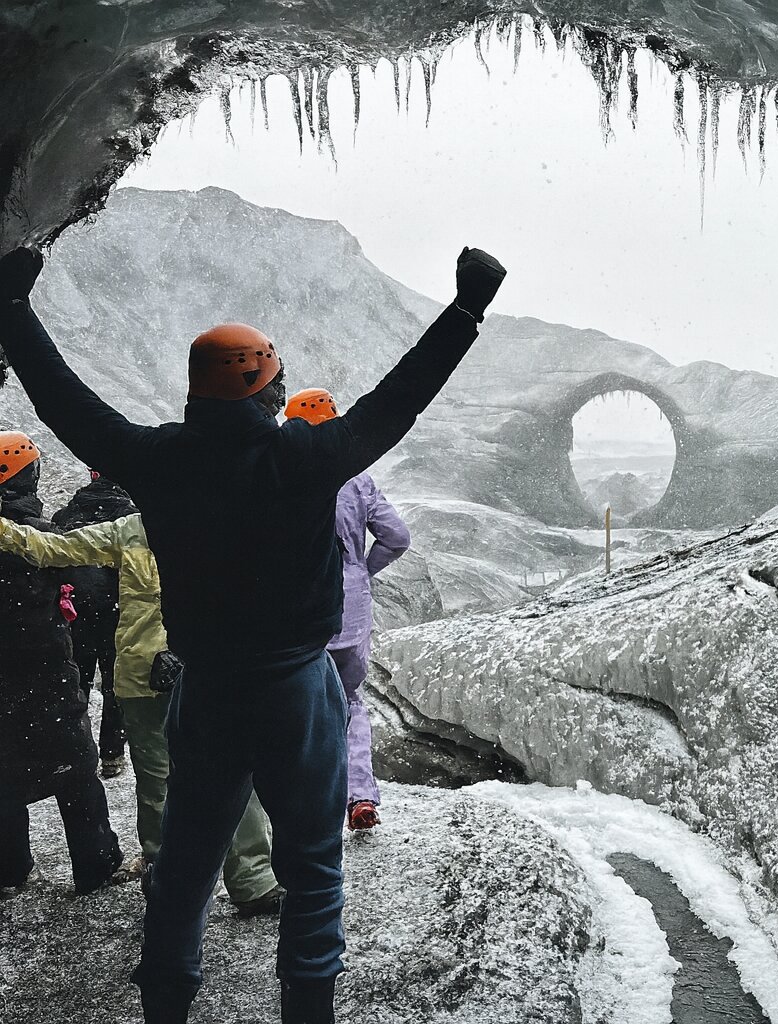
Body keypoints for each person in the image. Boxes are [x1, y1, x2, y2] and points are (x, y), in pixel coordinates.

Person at [0, 243, 506, 1024]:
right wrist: (467, 308)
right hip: (296, 688)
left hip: (203, 689)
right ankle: (308, 1011)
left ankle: (166, 1008)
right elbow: (399, 399)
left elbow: (65, 403)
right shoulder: (308, 455)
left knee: (184, 875)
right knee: (313, 869)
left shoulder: (156, 458)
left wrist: (11, 311)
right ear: (267, 387)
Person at [0, 507, 283, 915]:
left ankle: (170, 876)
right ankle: (246, 882)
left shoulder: (134, 529)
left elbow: (52, 549)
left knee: (165, 780)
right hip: (189, 673)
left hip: (164, 672)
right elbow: (52, 548)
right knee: (221, 774)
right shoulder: (220, 523)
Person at [0, 431, 123, 895]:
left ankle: (9, 867)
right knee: (76, 771)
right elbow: (83, 583)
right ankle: (95, 865)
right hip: (47, 670)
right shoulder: (44, 538)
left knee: (4, 768)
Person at [284, 388, 411, 831]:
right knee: (351, 701)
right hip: (351, 613)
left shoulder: (282, 471)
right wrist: (361, 570)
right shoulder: (357, 479)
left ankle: (306, 802)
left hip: (299, 612)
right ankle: (359, 794)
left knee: (299, 706)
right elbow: (397, 536)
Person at [53, 469, 134, 777]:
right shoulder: (131, 517)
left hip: (75, 613)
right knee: (116, 687)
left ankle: (76, 751)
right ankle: (112, 755)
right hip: (117, 612)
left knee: (77, 683)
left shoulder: (66, 515)